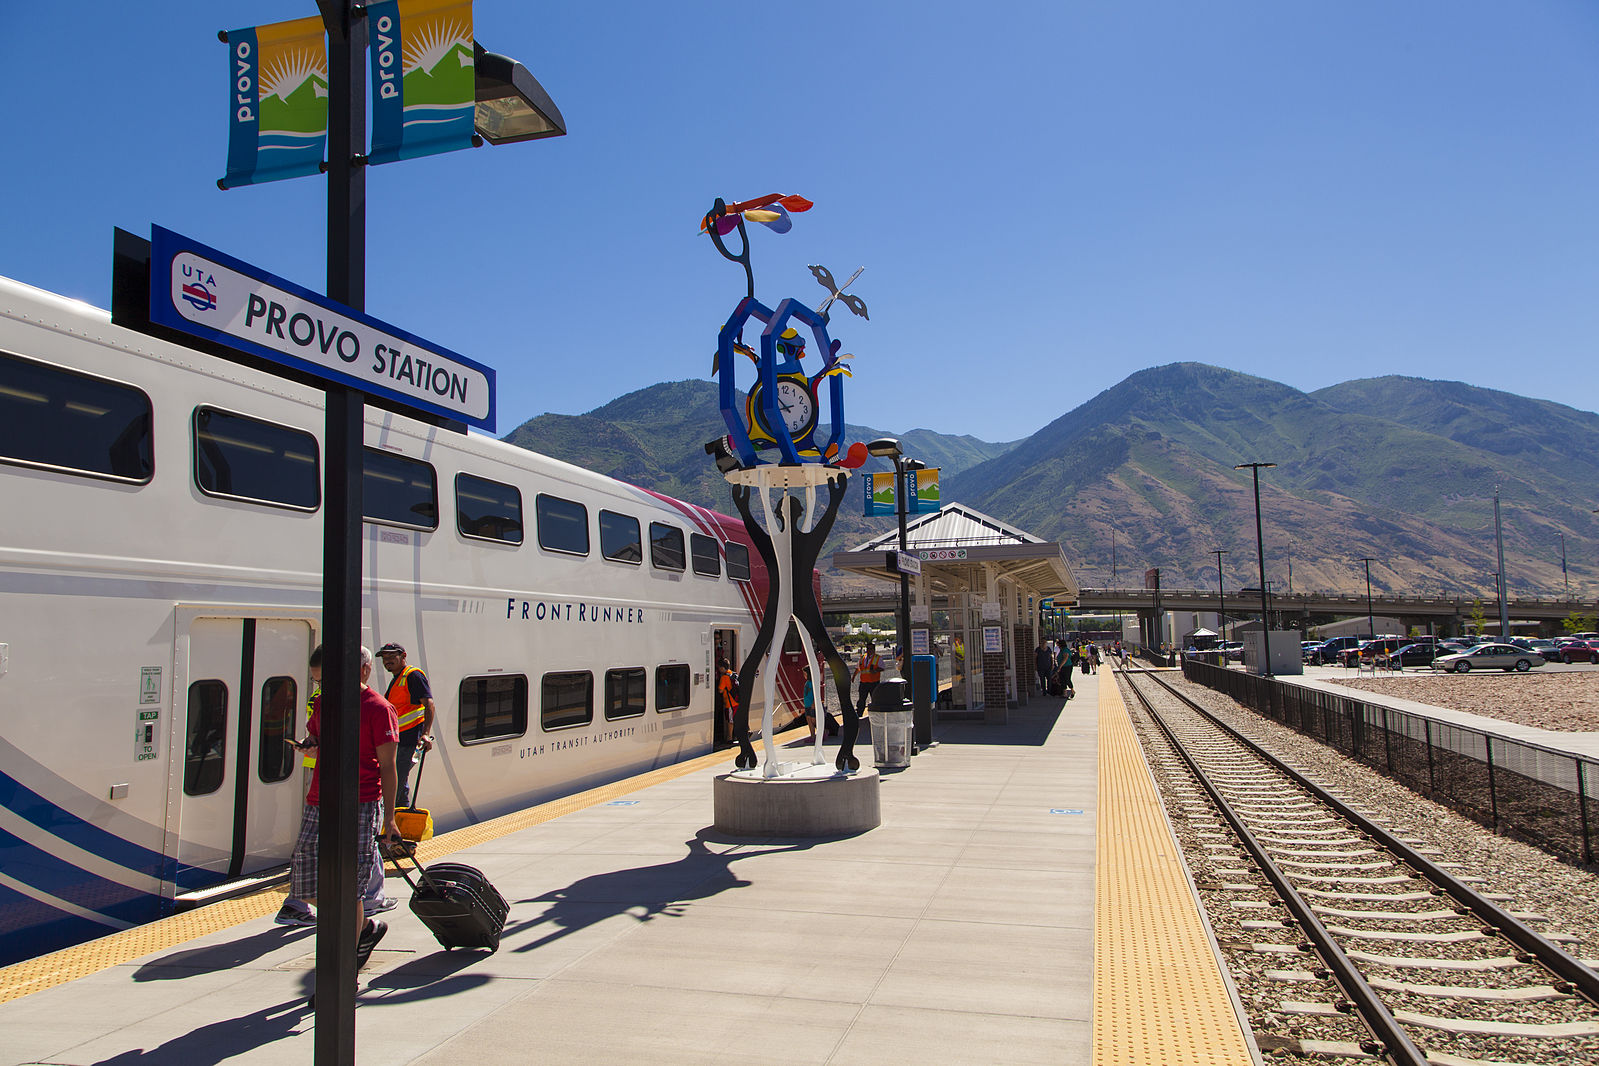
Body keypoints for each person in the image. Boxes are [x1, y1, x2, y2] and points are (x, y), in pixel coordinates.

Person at [277, 646, 402, 970]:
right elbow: (317, 736)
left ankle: (344, 966)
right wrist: (311, 744)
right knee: (303, 880)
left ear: (360, 671)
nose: (323, 689)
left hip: (360, 802)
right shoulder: (322, 703)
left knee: (350, 887)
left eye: (328, 681)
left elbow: (388, 766)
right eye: (319, 682)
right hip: (320, 799)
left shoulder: (379, 708)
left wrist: (390, 818)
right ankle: (363, 930)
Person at [378, 643, 435, 810]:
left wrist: (425, 734)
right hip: (398, 741)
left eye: (391, 656)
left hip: (410, 741)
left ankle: (390, 824)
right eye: (384, 658)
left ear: (403, 656)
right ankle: (399, 819)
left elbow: (429, 704)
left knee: (394, 782)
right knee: (399, 783)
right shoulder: (398, 678)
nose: (387, 661)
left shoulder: (412, 676)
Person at [852, 641, 883, 712]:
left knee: (875, 699)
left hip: (874, 683)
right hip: (864, 683)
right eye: (868, 648)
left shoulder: (877, 658)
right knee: (861, 700)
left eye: (871, 649)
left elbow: (882, 667)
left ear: (874, 650)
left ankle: (876, 713)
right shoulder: (862, 658)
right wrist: (853, 677)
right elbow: (858, 668)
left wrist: (875, 670)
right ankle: (859, 713)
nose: (869, 650)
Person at [801, 664, 817, 740]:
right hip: (807, 704)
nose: (804, 675)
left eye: (805, 673)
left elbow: (815, 693)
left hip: (812, 704)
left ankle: (823, 732)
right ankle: (812, 735)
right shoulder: (807, 682)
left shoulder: (812, 683)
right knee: (809, 719)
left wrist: (814, 702)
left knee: (813, 720)